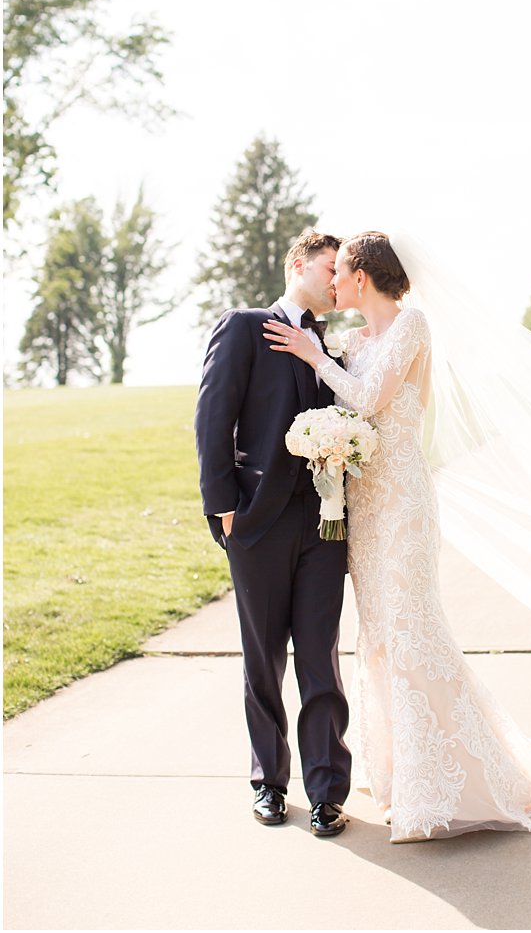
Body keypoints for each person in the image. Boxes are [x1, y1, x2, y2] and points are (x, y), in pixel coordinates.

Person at [263, 232, 531, 841]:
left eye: (340, 273)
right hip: (364, 510)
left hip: (402, 502)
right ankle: (402, 773)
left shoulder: (411, 328)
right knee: (377, 635)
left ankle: (453, 778)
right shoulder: (352, 340)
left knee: (411, 629)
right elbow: (346, 410)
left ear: (363, 278)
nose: (333, 284)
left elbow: (372, 400)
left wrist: (312, 357)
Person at [193, 230, 353, 837]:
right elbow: (213, 418)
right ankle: (268, 783)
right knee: (263, 660)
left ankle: (326, 791)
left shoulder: (332, 345)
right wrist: (223, 507)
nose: (337, 278)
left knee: (320, 658)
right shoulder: (244, 326)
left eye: (344, 270)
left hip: (324, 524)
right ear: (298, 263)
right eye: (329, 265)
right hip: (256, 522)